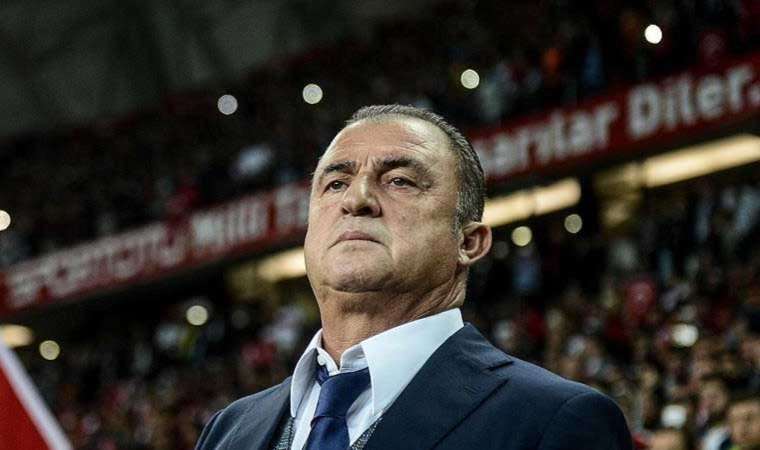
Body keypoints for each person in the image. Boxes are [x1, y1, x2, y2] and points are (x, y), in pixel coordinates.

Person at [195, 104, 633, 450]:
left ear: (469, 242)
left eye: (399, 181)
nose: (357, 199)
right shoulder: (229, 430)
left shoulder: (554, 419)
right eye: (336, 184)